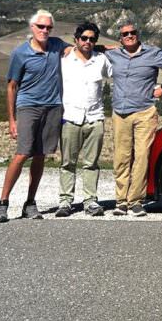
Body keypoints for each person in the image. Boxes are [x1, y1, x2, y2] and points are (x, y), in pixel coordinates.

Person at [0, 10, 70, 223]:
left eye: (48, 27)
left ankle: (30, 203)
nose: (45, 30)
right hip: (28, 107)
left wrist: (110, 48)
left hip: (53, 107)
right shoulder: (20, 53)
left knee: (41, 155)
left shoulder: (57, 45)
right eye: (41, 26)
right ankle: (3, 202)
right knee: (22, 153)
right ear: (32, 27)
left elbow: (82, 47)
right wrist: (12, 119)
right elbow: (11, 86)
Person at [106, 19, 162, 217]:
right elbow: (92, 48)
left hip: (144, 112)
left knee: (141, 157)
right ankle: (121, 201)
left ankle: (136, 201)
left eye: (132, 32)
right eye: (125, 34)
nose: (129, 36)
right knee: (121, 158)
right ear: (120, 38)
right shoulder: (113, 54)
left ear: (138, 34)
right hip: (120, 113)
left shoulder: (152, 53)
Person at [55, 22, 111, 217]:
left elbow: (118, 74)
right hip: (70, 117)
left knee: (91, 163)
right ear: (76, 39)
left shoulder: (101, 60)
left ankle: (90, 201)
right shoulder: (63, 59)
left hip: (95, 118)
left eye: (92, 39)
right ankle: (65, 201)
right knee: (67, 163)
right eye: (84, 38)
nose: (88, 42)